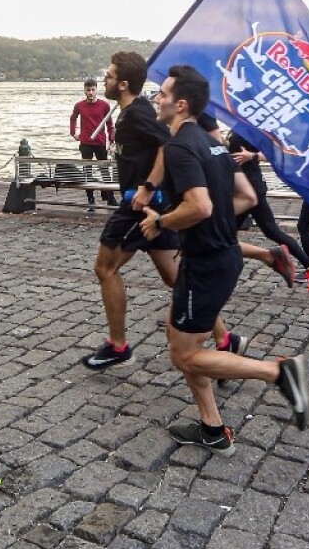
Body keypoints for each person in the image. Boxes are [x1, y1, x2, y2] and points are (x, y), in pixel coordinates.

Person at [139, 64, 309, 455]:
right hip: (222, 255)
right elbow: (247, 198)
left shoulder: (182, 146)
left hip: (206, 265)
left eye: (162, 94)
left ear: (180, 104)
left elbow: (198, 205)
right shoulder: (213, 144)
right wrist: (212, 218)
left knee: (184, 353)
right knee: (179, 338)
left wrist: (162, 221)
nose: (158, 99)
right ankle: (212, 429)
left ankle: (280, 373)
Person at [83, 52, 240, 369]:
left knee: (105, 269)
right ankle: (226, 340)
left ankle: (118, 345)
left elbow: (167, 143)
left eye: (110, 76)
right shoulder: (132, 112)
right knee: (175, 278)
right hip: (155, 212)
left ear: (123, 84)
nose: (105, 80)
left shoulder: (140, 112)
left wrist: (147, 187)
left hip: (138, 209)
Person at [226, 130, 309, 290]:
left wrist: (252, 156)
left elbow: (275, 152)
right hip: (245, 188)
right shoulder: (237, 126)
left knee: (227, 234)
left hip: (249, 190)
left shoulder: (248, 129)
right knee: (231, 234)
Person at [70, 78, 117, 208]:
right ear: (84, 91)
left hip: (100, 142)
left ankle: (111, 198)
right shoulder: (79, 105)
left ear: (96, 90)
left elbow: (110, 124)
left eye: (93, 90)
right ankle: (90, 200)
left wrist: (111, 142)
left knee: (105, 170)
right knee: (87, 171)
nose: (90, 92)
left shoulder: (104, 105)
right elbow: (73, 118)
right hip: (85, 142)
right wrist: (73, 133)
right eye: (88, 90)